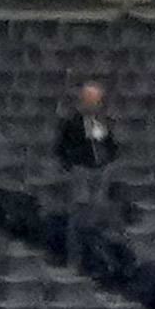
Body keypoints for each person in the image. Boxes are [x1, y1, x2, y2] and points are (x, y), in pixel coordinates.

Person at [56, 80, 122, 212]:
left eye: (96, 100)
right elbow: (62, 146)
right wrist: (70, 163)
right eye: (89, 99)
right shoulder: (72, 123)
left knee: (100, 199)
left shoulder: (102, 122)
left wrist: (110, 158)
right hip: (81, 167)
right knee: (82, 200)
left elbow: (109, 143)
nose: (93, 104)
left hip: (101, 168)